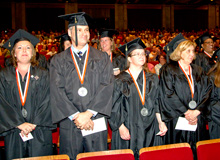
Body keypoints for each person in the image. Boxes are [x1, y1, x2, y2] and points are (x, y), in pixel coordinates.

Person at [50, 12, 114, 160]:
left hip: (95, 120)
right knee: (71, 157)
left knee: (97, 157)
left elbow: (107, 86)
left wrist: (89, 113)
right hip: (71, 121)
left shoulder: (102, 57)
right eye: (79, 30)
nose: (84, 33)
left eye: (86, 30)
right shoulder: (58, 60)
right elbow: (56, 90)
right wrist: (77, 116)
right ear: (69, 33)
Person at [108, 38, 167, 160]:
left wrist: (161, 122)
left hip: (150, 125)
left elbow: (157, 102)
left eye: (143, 53)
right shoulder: (119, 79)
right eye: (137, 54)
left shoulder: (152, 78)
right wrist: (120, 126)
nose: (142, 56)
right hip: (129, 126)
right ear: (129, 58)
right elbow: (114, 106)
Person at [0, 29, 54, 160]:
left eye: (28, 47)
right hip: (14, 130)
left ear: (33, 53)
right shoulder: (4, 75)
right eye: (20, 47)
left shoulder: (44, 74)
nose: (24, 51)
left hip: (39, 129)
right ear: (14, 53)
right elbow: (2, 103)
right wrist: (19, 123)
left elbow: (49, 100)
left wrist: (34, 123)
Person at [159, 34, 212, 155]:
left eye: (193, 51)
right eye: (188, 51)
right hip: (179, 119)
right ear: (179, 52)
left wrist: (197, 111)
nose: (192, 54)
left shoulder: (199, 70)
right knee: (180, 153)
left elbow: (207, 91)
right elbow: (168, 93)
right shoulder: (168, 70)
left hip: (197, 119)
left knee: (198, 151)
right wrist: (187, 112)